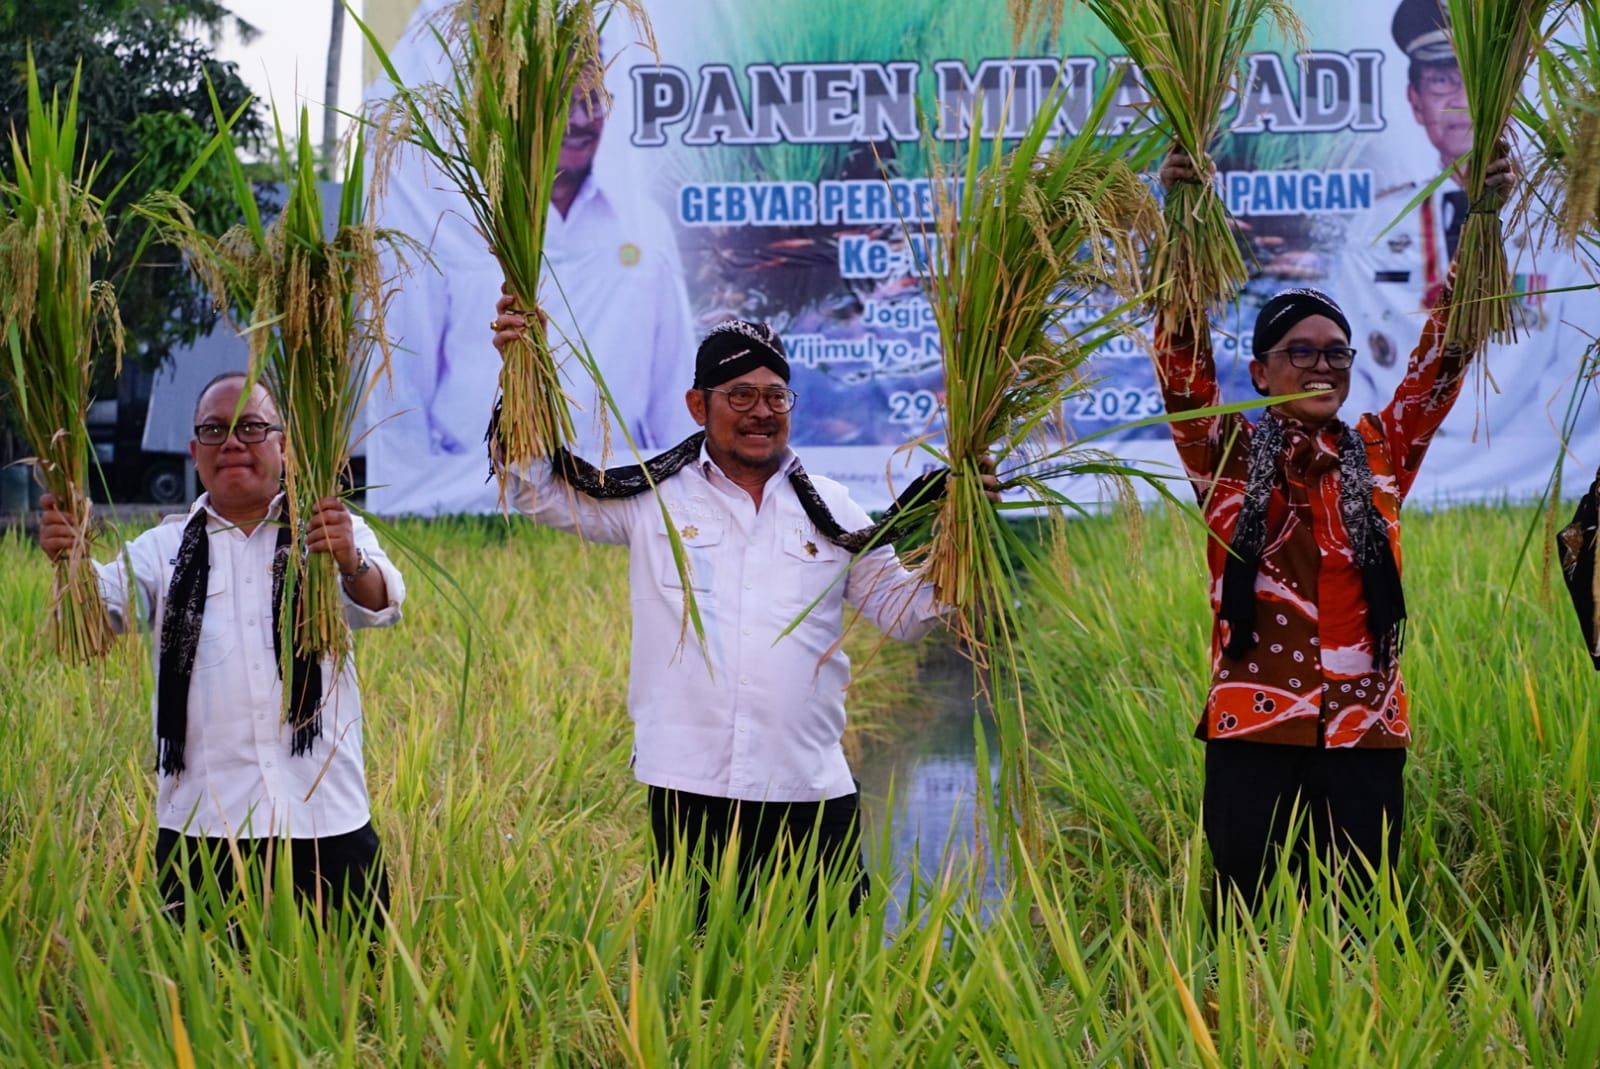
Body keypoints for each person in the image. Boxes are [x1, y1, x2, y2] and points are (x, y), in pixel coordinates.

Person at [489, 308, 993, 920]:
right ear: (699, 406)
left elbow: (907, 613)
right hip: (691, 793)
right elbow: (535, 491)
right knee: (703, 990)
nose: (762, 411)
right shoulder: (650, 498)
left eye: (776, 396)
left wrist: (968, 529)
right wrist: (520, 366)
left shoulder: (831, 506)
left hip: (810, 790)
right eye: (742, 395)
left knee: (824, 983)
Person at [1155, 143, 1516, 914]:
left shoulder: (1381, 451)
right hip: (1256, 729)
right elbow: (1181, 364)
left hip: (1366, 729)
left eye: (1336, 353)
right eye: (1301, 353)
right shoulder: (1223, 455)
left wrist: (1483, 220)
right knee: (1243, 926)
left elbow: (1444, 354)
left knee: (1361, 925)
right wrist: (1180, 224)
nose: (1322, 366)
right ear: (1260, 371)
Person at [37, 372, 406, 925]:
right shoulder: (164, 548)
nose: (231, 441)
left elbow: (380, 601)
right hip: (203, 833)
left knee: (354, 998)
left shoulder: (328, 533)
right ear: (194, 451)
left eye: (250, 427)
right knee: (205, 1000)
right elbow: (96, 614)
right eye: (214, 430)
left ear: (284, 446)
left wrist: (349, 558)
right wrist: (68, 556)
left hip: (325, 820)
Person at [366, 2, 696, 515]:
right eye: (563, 98)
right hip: (469, 493)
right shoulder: (456, 217)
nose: (583, 118)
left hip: (615, 491)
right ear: (515, 104)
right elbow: (408, 386)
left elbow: (673, 399)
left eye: (594, 96)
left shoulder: (643, 226)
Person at [1332, 0, 1599, 499]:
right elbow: (1355, 367)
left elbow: (1574, 365)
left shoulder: (1565, 217)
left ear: (1510, 95)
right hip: (1406, 455)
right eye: (1441, 80)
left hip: (1535, 454)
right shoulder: (1373, 227)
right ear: (1415, 101)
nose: (1460, 101)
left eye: (1474, 84)